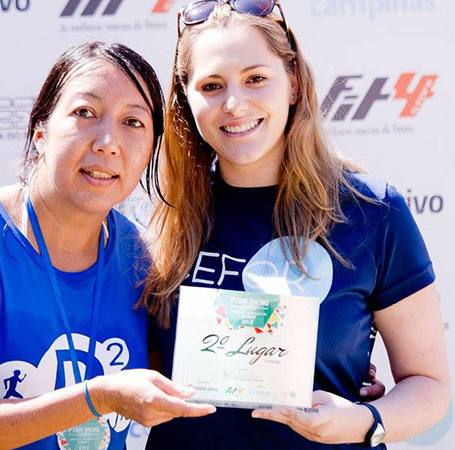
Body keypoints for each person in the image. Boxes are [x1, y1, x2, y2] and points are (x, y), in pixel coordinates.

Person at [140, 1, 450, 449]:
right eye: (211, 85)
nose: (234, 104)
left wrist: (363, 421)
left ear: (293, 83)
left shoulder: (372, 210)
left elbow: (429, 385)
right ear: (187, 98)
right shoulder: (164, 220)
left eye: (255, 79)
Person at [0, 42, 215, 450]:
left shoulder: (140, 258)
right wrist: (99, 397)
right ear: (40, 132)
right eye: (85, 113)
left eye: (133, 122)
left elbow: (197, 378)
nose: (107, 142)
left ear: (151, 149)